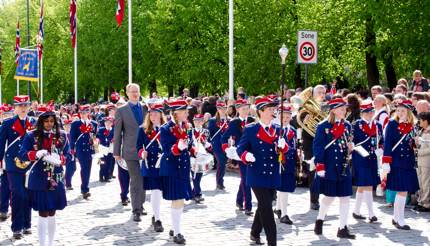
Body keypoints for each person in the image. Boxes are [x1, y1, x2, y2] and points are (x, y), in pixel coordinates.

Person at [236, 96, 286, 246]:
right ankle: (273, 242)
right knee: (267, 209)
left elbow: (284, 152)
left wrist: (284, 147)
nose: (273, 111)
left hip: (272, 174)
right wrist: (246, 155)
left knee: (265, 204)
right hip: (256, 174)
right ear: (261, 111)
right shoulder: (251, 129)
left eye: (274, 109)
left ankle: (254, 232)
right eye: (270, 109)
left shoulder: (278, 129)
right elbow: (240, 148)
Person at [19, 106, 71, 246]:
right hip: (40, 178)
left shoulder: (62, 135)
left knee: (53, 212)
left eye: (51, 121)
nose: (49, 123)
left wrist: (61, 159)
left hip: (56, 178)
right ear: (41, 121)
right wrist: (35, 154)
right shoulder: (31, 135)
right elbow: (22, 154)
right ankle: (43, 244)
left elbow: (69, 154)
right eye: (46, 121)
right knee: (43, 212)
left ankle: (50, 243)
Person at [312, 98, 355, 239]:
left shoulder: (347, 125)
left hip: (343, 166)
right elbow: (318, 147)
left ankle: (342, 228)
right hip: (329, 165)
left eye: (345, 108)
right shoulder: (323, 126)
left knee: (345, 197)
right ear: (333, 110)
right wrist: (320, 165)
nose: (344, 111)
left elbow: (346, 144)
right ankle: (320, 219)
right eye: (341, 109)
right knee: (329, 197)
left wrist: (350, 149)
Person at [159, 99, 194, 244]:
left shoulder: (186, 126)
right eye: (184, 111)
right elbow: (167, 150)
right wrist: (177, 147)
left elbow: (189, 144)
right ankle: (177, 233)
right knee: (178, 200)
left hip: (184, 167)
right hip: (172, 167)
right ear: (176, 113)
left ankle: (175, 227)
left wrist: (193, 149)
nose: (187, 113)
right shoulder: (165, 128)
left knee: (180, 200)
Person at [0, 95, 35, 239]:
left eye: (25, 105)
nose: (23, 108)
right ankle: (16, 227)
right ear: (15, 108)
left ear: (29, 107)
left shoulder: (33, 122)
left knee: (28, 194)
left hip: (29, 165)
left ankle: (27, 224)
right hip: (12, 165)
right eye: (20, 106)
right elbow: (1, 144)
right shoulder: (8, 124)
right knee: (17, 194)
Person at [382, 99, 420, 230]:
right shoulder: (392, 123)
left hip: (407, 162)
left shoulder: (412, 125)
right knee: (402, 191)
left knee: (403, 191)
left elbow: (412, 145)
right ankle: (400, 219)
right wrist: (386, 162)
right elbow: (387, 144)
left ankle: (396, 217)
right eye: (398, 110)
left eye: (403, 110)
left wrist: (416, 142)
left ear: (409, 111)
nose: (400, 112)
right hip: (396, 161)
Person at [114, 83, 148, 222]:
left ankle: (141, 204)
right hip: (130, 150)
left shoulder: (146, 108)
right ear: (127, 93)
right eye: (132, 91)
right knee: (135, 180)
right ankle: (136, 210)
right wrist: (116, 151)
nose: (135, 94)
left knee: (144, 178)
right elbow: (117, 133)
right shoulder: (121, 110)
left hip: (145, 150)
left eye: (137, 91)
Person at [221, 99, 254, 215]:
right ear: (238, 109)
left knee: (245, 179)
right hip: (240, 155)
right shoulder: (234, 122)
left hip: (251, 154)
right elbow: (224, 138)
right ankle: (248, 206)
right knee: (246, 180)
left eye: (247, 108)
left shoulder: (252, 121)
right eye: (243, 109)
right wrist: (227, 149)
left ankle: (239, 200)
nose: (245, 111)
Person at [351, 101, 382, 223]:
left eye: (372, 112)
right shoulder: (356, 125)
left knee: (363, 185)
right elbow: (351, 141)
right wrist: (353, 147)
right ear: (362, 113)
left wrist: (381, 149)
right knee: (367, 184)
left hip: (373, 157)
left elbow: (381, 140)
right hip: (360, 157)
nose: (370, 114)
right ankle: (371, 213)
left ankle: (356, 211)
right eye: (367, 112)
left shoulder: (377, 125)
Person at [136, 103, 165, 232]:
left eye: (156, 113)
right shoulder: (142, 129)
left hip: (165, 163)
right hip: (151, 164)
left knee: (165, 193)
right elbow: (138, 146)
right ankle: (157, 219)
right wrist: (142, 153)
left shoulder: (166, 128)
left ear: (160, 114)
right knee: (156, 191)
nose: (153, 116)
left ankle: (156, 214)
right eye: (151, 114)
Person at [275, 104, 297, 225]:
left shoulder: (292, 130)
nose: (285, 118)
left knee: (285, 186)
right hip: (280, 161)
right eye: (283, 116)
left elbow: (294, 145)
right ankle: (284, 214)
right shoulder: (276, 129)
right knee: (283, 187)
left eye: (288, 116)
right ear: (278, 116)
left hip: (289, 162)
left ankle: (278, 208)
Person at [70, 105, 97, 200]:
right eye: (81, 113)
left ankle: (85, 187)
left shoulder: (93, 123)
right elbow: (72, 137)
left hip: (89, 149)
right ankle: (85, 189)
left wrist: (96, 147)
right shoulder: (75, 124)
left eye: (85, 112)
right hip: (80, 149)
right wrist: (72, 149)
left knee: (88, 169)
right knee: (84, 168)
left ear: (88, 113)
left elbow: (95, 137)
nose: (83, 114)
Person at [190, 114, 212, 203]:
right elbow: (187, 144)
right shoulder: (189, 131)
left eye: (200, 120)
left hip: (202, 157)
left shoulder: (206, 132)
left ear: (203, 121)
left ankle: (193, 193)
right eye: (196, 120)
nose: (197, 122)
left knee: (198, 176)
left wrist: (208, 145)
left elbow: (210, 146)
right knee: (194, 176)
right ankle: (198, 194)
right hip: (193, 156)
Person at [208, 101, 229, 190]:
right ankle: (219, 182)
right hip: (217, 144)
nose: (223, 110)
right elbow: (210, 133)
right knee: (221, 162)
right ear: (217, 109)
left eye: (224, 108)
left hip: (227, 145)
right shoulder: (213, 120)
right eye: (220, 108)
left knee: (224, 163)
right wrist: (210, 143)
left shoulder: (229, 120)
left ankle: (220, 181)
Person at [414, 112, 430, 212]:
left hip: (427, 162)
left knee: (426, 183)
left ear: (426, 121)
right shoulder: (422, 130)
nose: (419, 121)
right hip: (420, 161)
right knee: (420, 183)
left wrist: (418, 152)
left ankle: (426, 204)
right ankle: (421, 202)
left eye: (420, 119)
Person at [96, 116, 114, 183]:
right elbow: (97, 137)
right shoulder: (101, 129)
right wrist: (97, 140)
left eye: (109, 123)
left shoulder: (113, 130)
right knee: (102, 163)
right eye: (106, 122)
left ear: (111, 123)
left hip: (110, 149)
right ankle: (101, 177)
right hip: (102, 149)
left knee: (109, 163)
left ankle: (107, 177)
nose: (108, 124)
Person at [62, 119, 76, 190]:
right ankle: (68, 184)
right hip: (66, 154)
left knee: (74, 169)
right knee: (69, 169)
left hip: (73, 154)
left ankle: (65, 178)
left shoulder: (73, 134)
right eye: (66, 126)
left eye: (69, 126)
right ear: (64, 127)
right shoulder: (62, 135)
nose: (68, 127)